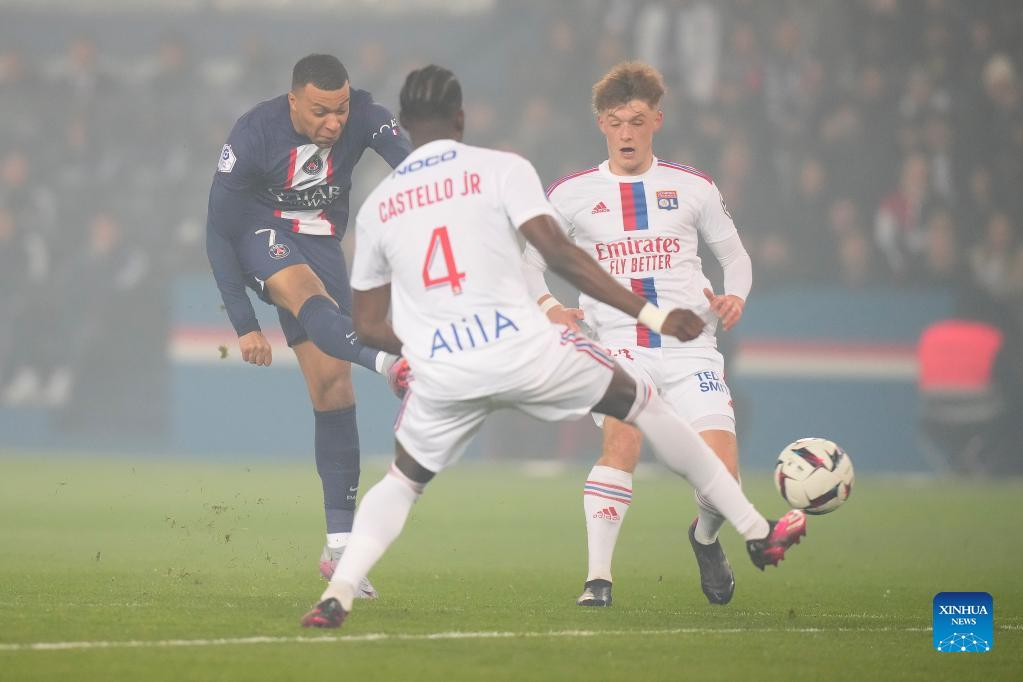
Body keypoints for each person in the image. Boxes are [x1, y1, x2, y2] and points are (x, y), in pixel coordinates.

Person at [300, 65, 806, 629]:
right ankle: (755, 534)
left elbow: (367, 324)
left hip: (448, 363)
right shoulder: (502, 170)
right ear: (461, 119)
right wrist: (649, 312)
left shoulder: (379, 206)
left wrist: (416, 350)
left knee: (403, 480)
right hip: (523, 349)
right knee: (641, 406)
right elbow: (557, 257)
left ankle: (340, 590)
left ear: (403, 127)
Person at [521, 62, 752, 607]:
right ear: (601, 124)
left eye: (638, 121)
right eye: (616, 122)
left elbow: (734, 256)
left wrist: (734, 294)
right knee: (621, 443)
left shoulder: (693, 186)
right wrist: (551, 304)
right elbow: (528, 261)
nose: (627, 133)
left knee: (723, 477)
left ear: (657, 122)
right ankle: (597, 579)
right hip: (617, 345)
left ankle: (704, 539)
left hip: (691, 348)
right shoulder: (572, 193)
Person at [205, 54, 412, 597]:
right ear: (294, 100)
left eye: (341, 109)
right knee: (307, 296)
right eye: (321, 111)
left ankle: (339, 550)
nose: (334, 123)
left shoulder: (364, 114)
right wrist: (245, 323)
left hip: (321, 241)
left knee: (332, 389)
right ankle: (392, 365)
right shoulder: (253, 134)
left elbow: (413, 164)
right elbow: (217, 232)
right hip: (261, 232)